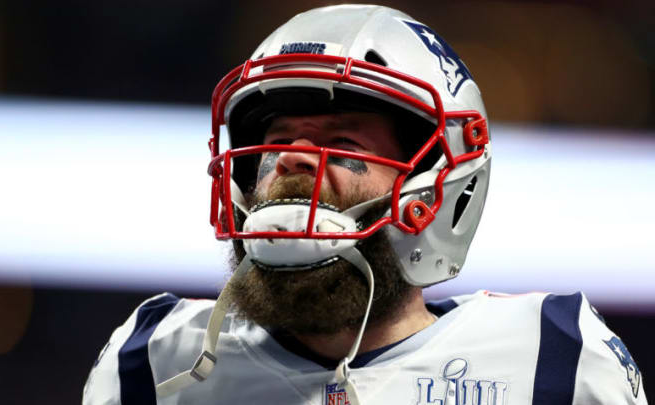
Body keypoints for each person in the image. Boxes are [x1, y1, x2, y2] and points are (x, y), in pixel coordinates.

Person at [83, 5, 647, 405]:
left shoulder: (554, 362)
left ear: (436, 188)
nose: (293, 161)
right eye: (277, 141)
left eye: (343, 143)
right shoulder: (152, 362)